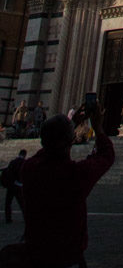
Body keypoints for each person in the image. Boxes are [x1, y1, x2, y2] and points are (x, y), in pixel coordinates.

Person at [19, 104, 115, 267]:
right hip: (65, 257)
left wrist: (71, 124)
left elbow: (47, 150)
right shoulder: (73, 175)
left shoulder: (29, 168)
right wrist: (98, 127)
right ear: (70, 141)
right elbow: (106, 155)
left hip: (34, 254)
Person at [3, 148, 26, 223]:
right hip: (19, 185)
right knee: (22, 203)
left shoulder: (13, 162)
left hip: (11, 185)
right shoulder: (24, 162)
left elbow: (8, 173)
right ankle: (26, 217)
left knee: (8, 203)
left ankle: (8, 218)